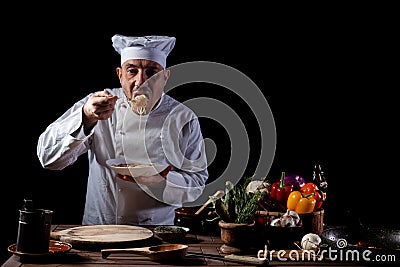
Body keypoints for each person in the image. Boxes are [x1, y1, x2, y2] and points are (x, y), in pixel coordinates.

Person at [37, 34, 209, 225]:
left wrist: (161, 182)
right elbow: (48, 159)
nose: (141, 81)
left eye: (152, 73)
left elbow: (197, 183)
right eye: (132, 71)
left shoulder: (183, 118)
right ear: (120, 75)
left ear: (165, 77)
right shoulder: (98, 105)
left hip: (156, 234)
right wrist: (85, 117)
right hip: (100, 230)